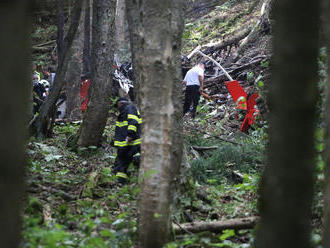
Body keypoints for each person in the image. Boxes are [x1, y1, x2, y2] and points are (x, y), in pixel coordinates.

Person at [112, 97, 142, 184]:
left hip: (132, 143)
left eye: (117, 106)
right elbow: (121, 130)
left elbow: (133, 122)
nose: (117, 108)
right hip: (125, 145)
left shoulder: (130, 108)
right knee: (121, 165)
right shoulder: (123, 113)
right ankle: (120, 184)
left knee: (137, 160)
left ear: (121, 103)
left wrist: (130, 134)